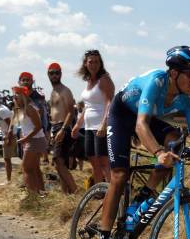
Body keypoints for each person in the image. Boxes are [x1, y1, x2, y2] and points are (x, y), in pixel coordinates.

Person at [91, 45, 190, 239]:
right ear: (174, 73)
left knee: (176, 143)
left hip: (147, 117)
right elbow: (140, 125)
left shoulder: (189, 99)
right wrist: (158, 153)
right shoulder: (157, 81)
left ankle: (145, 194)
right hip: (124, 114)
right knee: (120, 174)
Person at [71, 50, 113, 184]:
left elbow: (109, 102)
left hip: (101, 126)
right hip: (89, 127)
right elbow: (87, 106)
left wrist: (104, 123)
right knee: (93, 161)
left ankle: (113, 193)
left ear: (101, 63)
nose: (93, 64)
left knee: (104, 162)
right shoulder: (89, 81)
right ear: (85, 64)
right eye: (91, 61)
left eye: (96, 61)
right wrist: (78, 124)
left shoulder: (104, 79)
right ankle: (100, 191)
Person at [9, 85, 46, 194]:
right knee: (34, 169)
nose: (14, 99)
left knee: (26, 168)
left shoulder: (30, 108)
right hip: (34, 140)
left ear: (23, 97)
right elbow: (14, 118)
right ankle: (41, 193)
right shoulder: (20, 108)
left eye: (17, 97)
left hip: (35, 140)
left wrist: (25, 138)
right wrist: (10, 131)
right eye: (14, 97)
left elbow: (39, 126)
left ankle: (32, 195)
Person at [48, 62, 77, 194]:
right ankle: (67, 194)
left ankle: (75, 192)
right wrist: (52, 131)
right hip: (55, 127)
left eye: (57, 72)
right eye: (51, 73)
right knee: (61, 164)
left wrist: (63, 129)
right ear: (48, 75)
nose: (54, 75)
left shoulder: (65, 90)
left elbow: (71, 112)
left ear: (61, 74)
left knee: (59, 162)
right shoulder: (54, 91)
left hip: (62, 127)